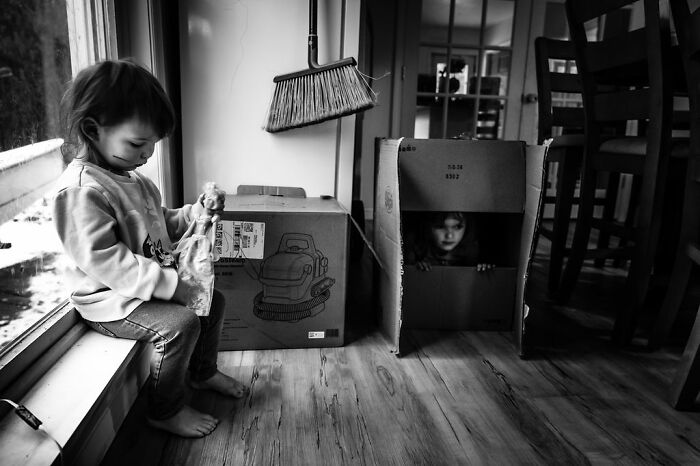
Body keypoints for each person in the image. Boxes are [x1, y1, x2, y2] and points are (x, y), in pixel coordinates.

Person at [53, 59, 247, 438]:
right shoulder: (81, 190)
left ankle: (203, 373)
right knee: (180, 325)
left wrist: (197, 211)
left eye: (152, 145)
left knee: (215, 302)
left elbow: (163, 225)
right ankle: (165, 409)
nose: (147, 155)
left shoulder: (135, 181)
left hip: (146, 287)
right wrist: (173, 287)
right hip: (108, 300)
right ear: (93, 129)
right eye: (138, 144)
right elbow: (107, 262)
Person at [405, 211, 495, 272]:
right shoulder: (418, 249)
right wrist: (419, 267)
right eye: (440, 226)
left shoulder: (471, 250)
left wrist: (483, 268)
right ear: (427, 227)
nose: (449, 235)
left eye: (457, 227)